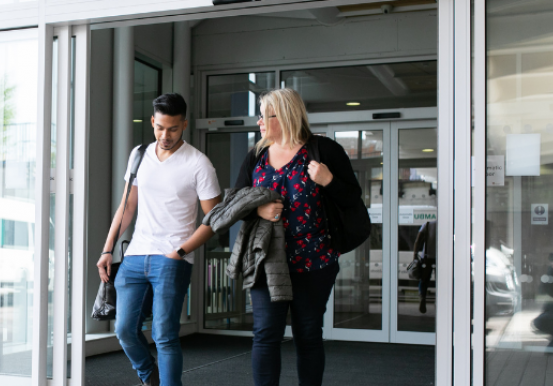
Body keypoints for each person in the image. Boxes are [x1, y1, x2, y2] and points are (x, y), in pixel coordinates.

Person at [234, 88, 362, 386]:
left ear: (286, 115)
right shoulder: (257, 155)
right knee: (266, 333)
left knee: (307, 334)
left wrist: (329, 181)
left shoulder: (323, 150)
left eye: (265, 115)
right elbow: (236, 202)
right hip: (267, 261)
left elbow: (352, 198)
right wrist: (258, 210)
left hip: (314, 262)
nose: (260, 123)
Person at [96, 93, 222, 386]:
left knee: (164, 335)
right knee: (125, 330)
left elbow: (214, 218)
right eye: (160, 127)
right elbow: (127, 206)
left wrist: (181, 251)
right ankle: (150, 377)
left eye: (173, 129)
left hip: (171, 259)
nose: (165, 135)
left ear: (184, 125)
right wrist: (107, 250)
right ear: (153, 121)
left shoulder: (199, 164)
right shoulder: (139, 154)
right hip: (135, 256)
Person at [412, 220, 437, 313]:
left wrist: (415, 256)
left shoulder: (427, 225)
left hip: (427, 257)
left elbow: (418, 241)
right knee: (442, 281)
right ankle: (439, 300)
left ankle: (422, 297)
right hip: (441, 258)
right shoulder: (447, 225)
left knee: (424, 280)